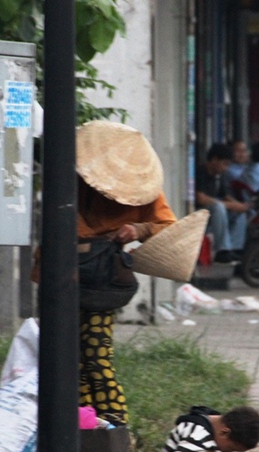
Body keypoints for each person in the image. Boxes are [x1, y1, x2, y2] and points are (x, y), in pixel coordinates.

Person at [75, 120, 177, 426]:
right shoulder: (76, 174)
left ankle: (114, 426)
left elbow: (168, 228)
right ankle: (85, 423)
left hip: (101, 283)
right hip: (61, 273)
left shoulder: (145, 193)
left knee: (96, 354)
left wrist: (138, 228)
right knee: (69, 360)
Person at [195, 143, 251, 263]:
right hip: (200, 214)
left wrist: (240, 206)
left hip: (215, 216)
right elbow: (201, 198)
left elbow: (226, 196)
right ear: (214, 160)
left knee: (238, 213)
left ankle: (235, 249)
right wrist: (229, 205)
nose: (226, 168)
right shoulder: (201, 172)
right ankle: (222, 250)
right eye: (224, 164)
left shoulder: (219, 177)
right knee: (218, 207)